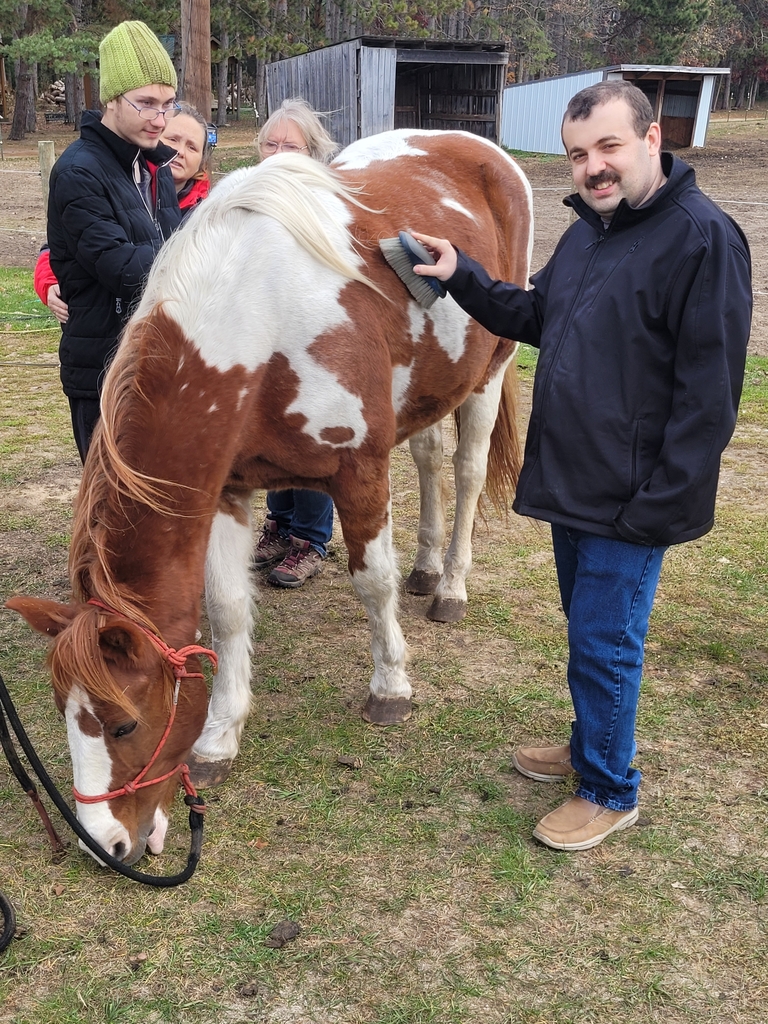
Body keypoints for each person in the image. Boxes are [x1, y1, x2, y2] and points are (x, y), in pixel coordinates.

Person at [413, 80, 752, 852]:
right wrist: (460, 270)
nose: (593, 167)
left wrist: (658, 506)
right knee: (588, 632)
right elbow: (536, 316)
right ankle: (590, 744)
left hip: (633, 500)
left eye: (608, 147)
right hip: (576, 482)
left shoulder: (703, 239)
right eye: (577, 154)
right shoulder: (590, 233)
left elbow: (710, 399)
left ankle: (609, 788)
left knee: (606, 641)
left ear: (650, 138)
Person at [44, 20, 183, 462]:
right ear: (110, 98)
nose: (159, 119)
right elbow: (124, 267)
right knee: (114, 511)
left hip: (157, 360)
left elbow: (166, 246)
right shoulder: (78, 171)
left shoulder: (154, 166)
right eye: (145, 103)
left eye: (167, 104)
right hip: (104, 368)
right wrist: (208, 255)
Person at [251, 99, 338, 589]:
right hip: (263, 344)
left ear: (312, 153)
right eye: (272, 143)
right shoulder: (248, 194)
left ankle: (310, 538)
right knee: (270, 439)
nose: (279, 152)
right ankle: (280, 524)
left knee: (308, 443)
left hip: (312, 348)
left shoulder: (322, 202)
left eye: (292, 145)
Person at [34, 101, 212, 324]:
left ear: (202, 160)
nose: (179, 152)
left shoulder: (209, 212)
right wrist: (49, 282)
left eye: (192, 147)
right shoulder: (124, 183)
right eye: (173, 139)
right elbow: (68, 241)